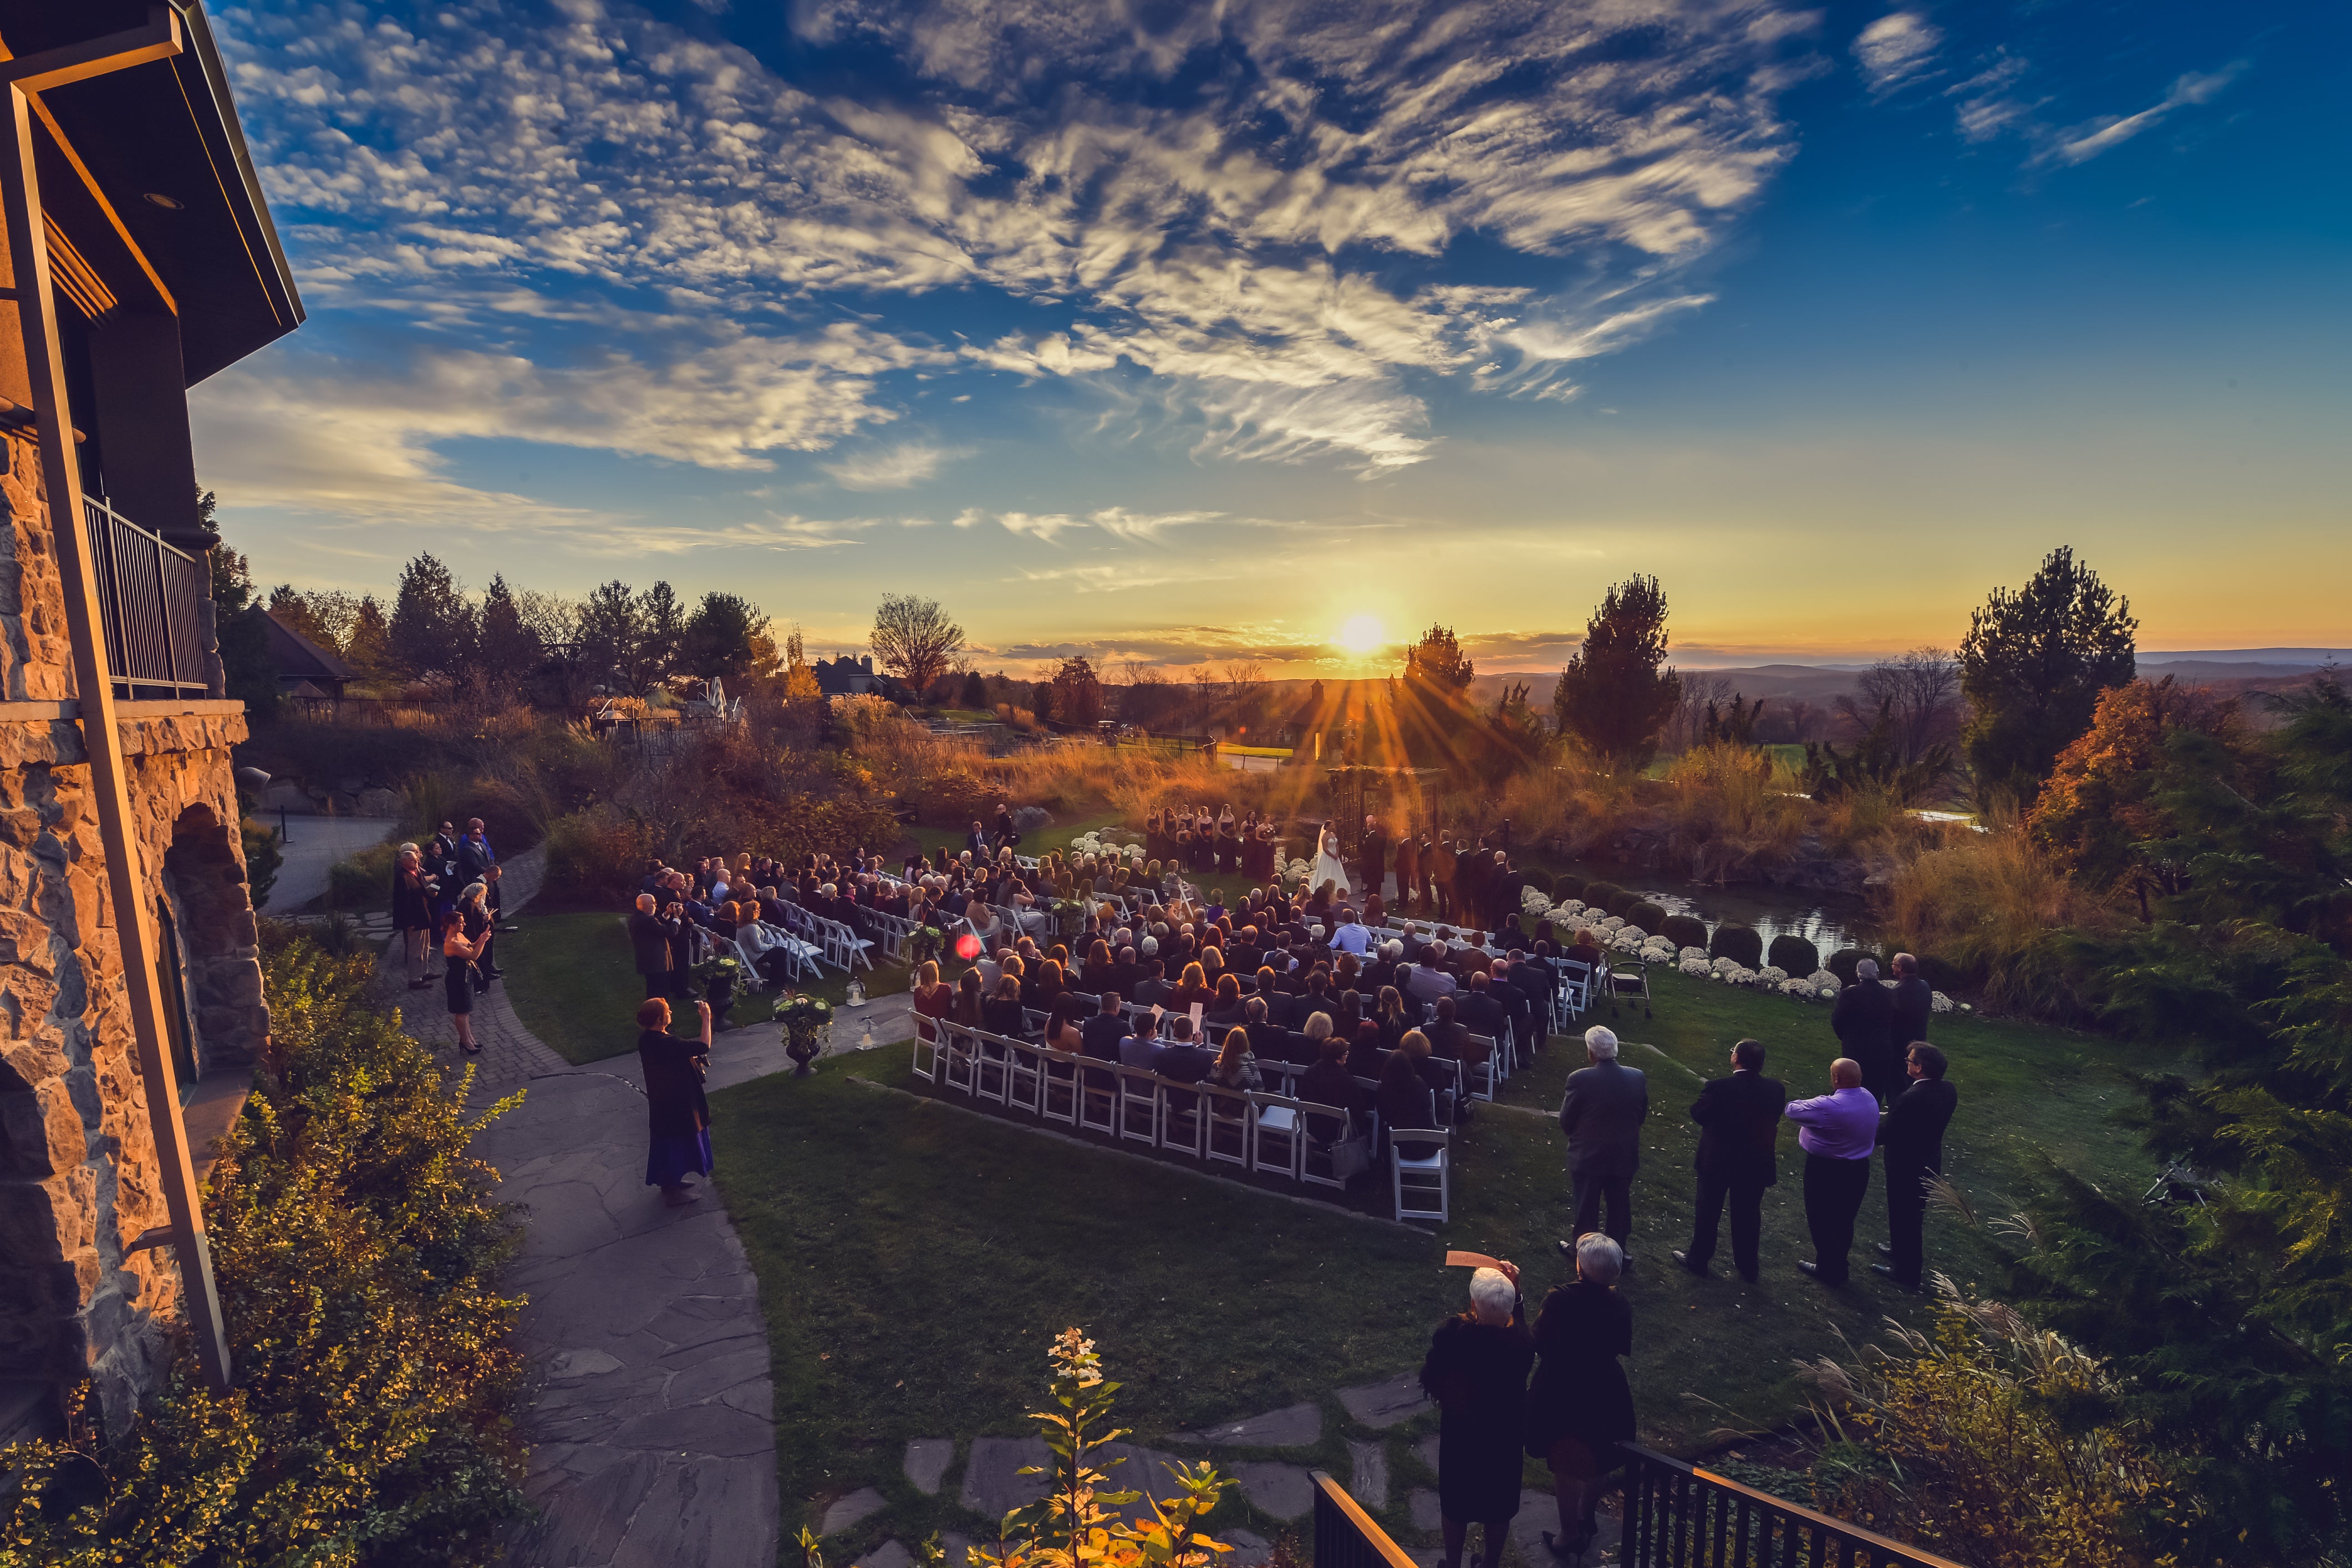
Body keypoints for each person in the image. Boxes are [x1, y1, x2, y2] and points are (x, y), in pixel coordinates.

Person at [1525, 1234, 1635, 1559]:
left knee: (1566, 1460)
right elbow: (1621, 1345)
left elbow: (1538, 1340)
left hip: (1564, 1387)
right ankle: (1586, 1518)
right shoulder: (1620, 1303)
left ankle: (1568, 1535)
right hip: (1605, 1388)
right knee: (1599, 1451)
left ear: (1580, 1268)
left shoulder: (1561, 1299)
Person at [1419, 1261, 1533, 1568]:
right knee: (1499, 1504)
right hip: (1504, 1436)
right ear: (1510, 1310)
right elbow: (1520, 1326)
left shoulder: (1454, 1336)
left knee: (1456, 1502)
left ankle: (1453, 1563)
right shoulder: (1522, 1344)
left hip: (1463, 1434)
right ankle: (1491, 1564)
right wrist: (1517, 1296)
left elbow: (1434, 1375)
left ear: (1472, 1304)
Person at [1673, 1039, 1789, 1282]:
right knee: (1748, 1215)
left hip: (1718, 1161)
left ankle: (1699, 1260)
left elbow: (1698, 1113)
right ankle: (1748, 1266)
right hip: (1755, 1163)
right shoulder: (1776, 1089)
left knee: (1708, 1210)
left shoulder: (1718, 1088)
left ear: (1736, 1059)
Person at [1784, 1057, 1880, 1285]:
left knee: (1822, 1219)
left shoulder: (1828, 1106)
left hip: (1826, 1171)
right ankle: (1839, 1264)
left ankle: (1829, 1269)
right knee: (1844, 1219)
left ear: (1836, 1078)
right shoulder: (1868, 1097)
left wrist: (1820, 1100)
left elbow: (1792, 1110)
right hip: (1858, 1169)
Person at [1873, 1043, 1958, 1292]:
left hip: (1905, 1165)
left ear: (1919, 1068)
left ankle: (1906, 1272)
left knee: (1905, 1216)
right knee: (1911, 1215)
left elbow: (1889, 1132)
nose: (1907, 1063)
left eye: (1910, 1061)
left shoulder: (1910, 1098)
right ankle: (1899, 1252)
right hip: (1928, 1160)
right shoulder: (1947, 1090)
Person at [1557, 1026, 1647, 1255]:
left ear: (1591, 1053)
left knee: (1587, 1205)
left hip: (1589, 1154)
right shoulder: (1637, 1076)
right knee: (1619, 1204)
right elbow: (1641, 1116)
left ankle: (1583, 1250)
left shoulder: (1580, 1079)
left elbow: (1566, 1120)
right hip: (1624, 1153)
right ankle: (1620, 1251)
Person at [637, 997, 714, 1208]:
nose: (671, 1013)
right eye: (668, 1012)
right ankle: (673, 1193)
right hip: (677, 1103)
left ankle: (669, 1183)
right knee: (676, 1144)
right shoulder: (667, 1043)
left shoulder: (647, 1039)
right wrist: (706, 1018)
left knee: (666, 1143)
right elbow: (703, 1046)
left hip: (662, 1101)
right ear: (660, 1020)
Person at [1832, 957, 1900, 1106]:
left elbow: (1837, 1020)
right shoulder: (1891, 994)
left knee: (1852, 1085)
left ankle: (1849, 1115)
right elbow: (1896, 1021)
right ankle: (1871, 1117)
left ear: (1858, 974)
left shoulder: (1849, 994)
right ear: (1877, 973)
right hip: (1882, 1048)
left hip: (1856, 1048)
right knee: (1877, 1088)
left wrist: (1845, 1037)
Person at [442, 881, 492, 1056]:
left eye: (463, 922)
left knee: (467, 1010)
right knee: (461, 1012)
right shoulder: (452, 942)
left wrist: (481, 937)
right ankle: (465, 1042)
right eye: (460, 923)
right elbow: (472, 955)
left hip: (466, 976)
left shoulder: (460, 935)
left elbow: (470, 946)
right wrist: (484, 942)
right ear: (450, 925)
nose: (464, 925)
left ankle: (470, 1039)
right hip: (457, 979)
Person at [392, 846, 437, 989]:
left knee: (425, 946)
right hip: (413, 919)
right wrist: (408, 922)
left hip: (422, 914)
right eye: (413, 861)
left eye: (417, 860)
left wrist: (429, 893)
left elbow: (418, 890)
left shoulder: (414, 872)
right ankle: (415, 979)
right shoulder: (402, 877)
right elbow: (403, 902)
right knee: (415, 950)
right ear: (404, 862)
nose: (417, 863)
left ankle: (424, 972)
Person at [628, 892, 683, 1000]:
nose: (656, 905)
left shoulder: (637, 917)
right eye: (654, 903)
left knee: (652, 990)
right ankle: (660, 1013)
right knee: (660, 993)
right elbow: (670, 932)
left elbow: (655, 928)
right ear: (647, 906)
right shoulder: (648, 920)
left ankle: (652, 1011)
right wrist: (677, 917)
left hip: (648, 961)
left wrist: (666, 914)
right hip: (658, 963)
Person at [1887, 953, 1933, 1055]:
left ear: (1900, 968)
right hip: (1920, 1039)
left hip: (1900, 1043)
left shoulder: (1897, 992)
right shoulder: (1925, 986)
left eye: (1893, 964)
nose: (1892, 966)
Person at [1309, 822, 1351, 897]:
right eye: (1331, 826)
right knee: (1327, 871)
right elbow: (1325, 849)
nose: (1333, 827)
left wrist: (1337, 854)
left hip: (1335, 855)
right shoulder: (1325, 836)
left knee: (1337, 871)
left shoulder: (1333, 834)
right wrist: (1332, 855)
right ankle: (1326, 887)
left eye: (1333, 826)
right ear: (1327, 827)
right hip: (1328, 856)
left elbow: (1337, 845)